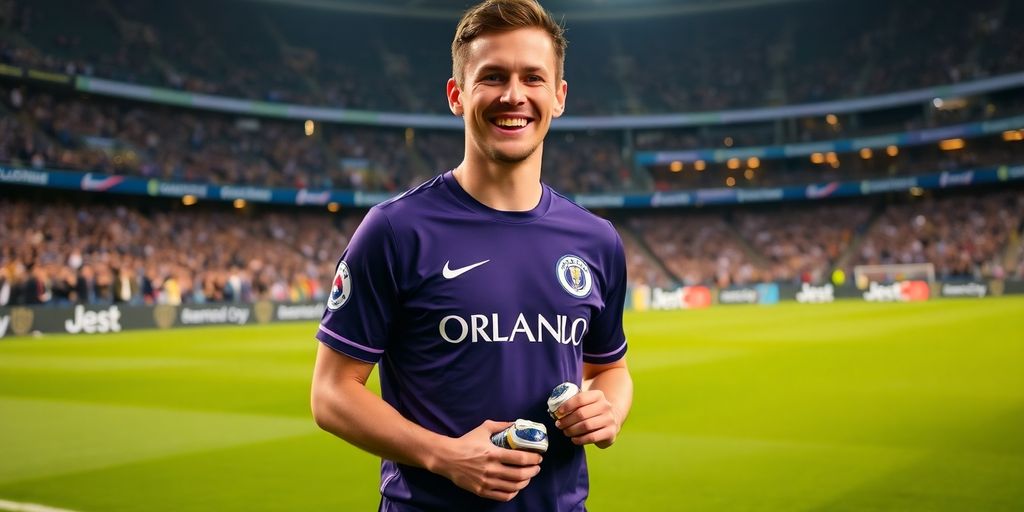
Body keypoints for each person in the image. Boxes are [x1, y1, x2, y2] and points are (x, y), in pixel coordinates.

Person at [310, 0, 633, 510]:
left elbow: (610, 368)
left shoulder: (596, 239)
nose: (513, 95)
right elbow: (330, 394)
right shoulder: (395, 230)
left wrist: (608, 410)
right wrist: (446, 456)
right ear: (457, 95)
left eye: (533, 78)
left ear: (559, 95)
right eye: (492, 77)